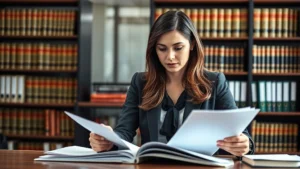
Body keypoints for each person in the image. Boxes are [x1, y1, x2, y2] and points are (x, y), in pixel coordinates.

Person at [89, 10, 254, 156]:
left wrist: (243, 144)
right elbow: (124, 132)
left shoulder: (215, 82)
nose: (170, 57)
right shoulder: (140, 82)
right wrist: (109, 141)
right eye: (162, 49)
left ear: (192, 45)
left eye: (178, 48)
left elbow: (241, 135)